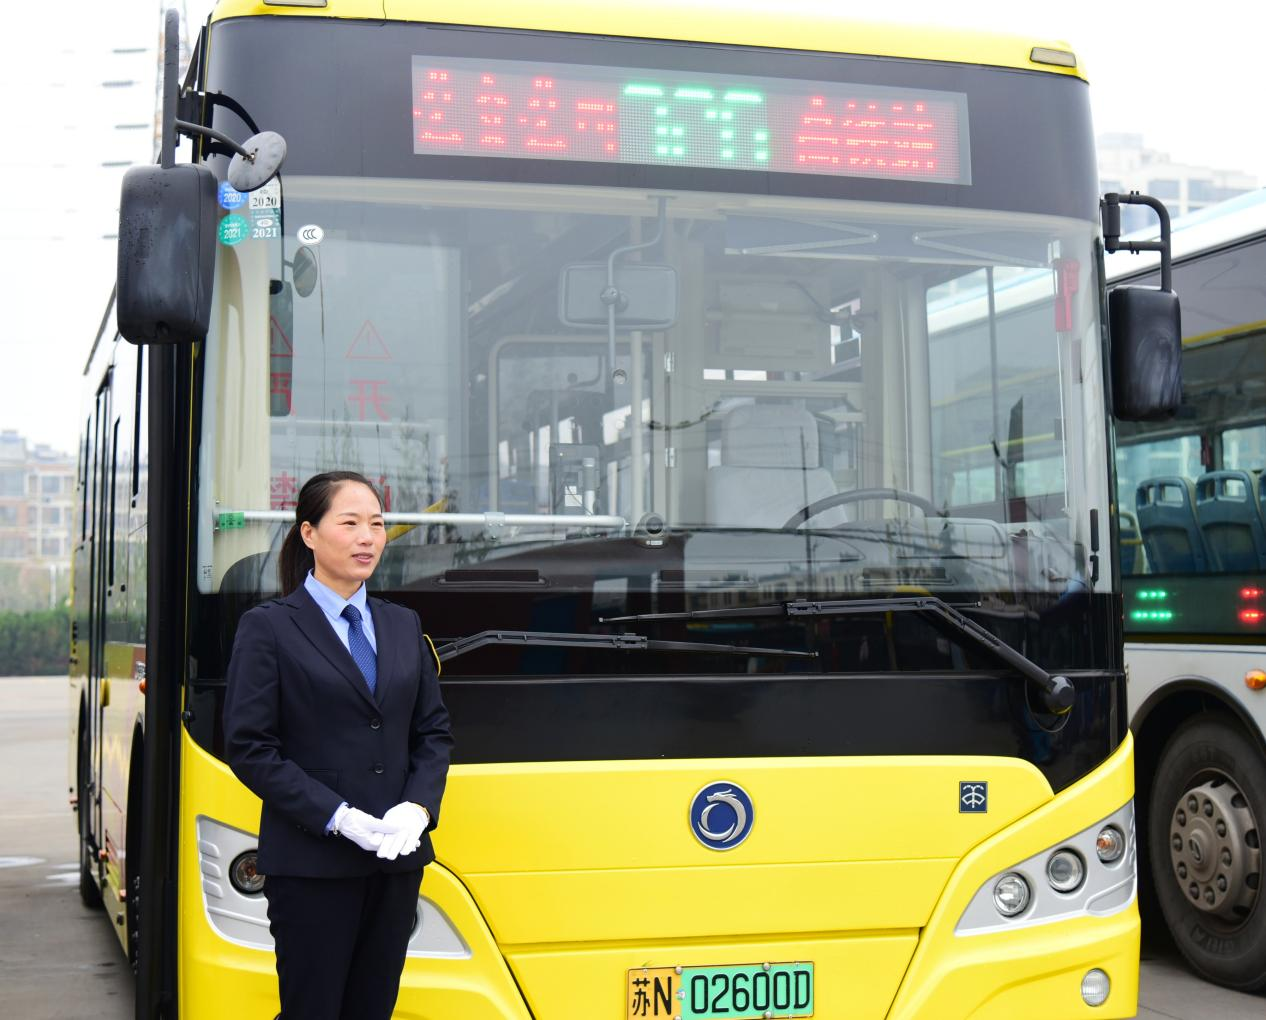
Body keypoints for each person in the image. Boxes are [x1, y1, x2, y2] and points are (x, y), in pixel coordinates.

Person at [223, 470, 453, 1020]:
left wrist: (419, 808)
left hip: (394, 866)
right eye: (349, 523)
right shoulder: (269, 628)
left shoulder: (402, 624)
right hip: (311, 867)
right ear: (309, 533)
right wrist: (338, 817)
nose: (367, 538)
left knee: (374, 1009)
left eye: (376, 524)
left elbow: (432, 732)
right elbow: (251, 747)